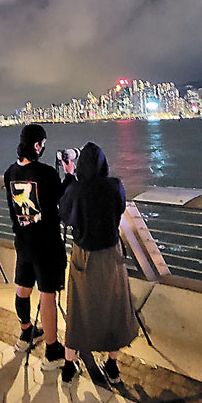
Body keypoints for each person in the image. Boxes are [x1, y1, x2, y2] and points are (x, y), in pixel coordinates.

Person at [57, 142, 138, 384]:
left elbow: (65, 215)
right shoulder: (115, 186)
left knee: (79, 309)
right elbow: (119, 209)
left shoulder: (76, 190)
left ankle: (69, 364)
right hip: (111, 254)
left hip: (83, 256)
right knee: (114, 308)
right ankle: (112, 365)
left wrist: (69, 177)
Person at [3, 124, 73, 369]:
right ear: (36, 145)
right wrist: (70, 174)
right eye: (42, 144)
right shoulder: (46, 173)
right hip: (46, 244)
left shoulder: (10, 172)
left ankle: (26, 333)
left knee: (23, 287)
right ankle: (52, 351)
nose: (43, 147)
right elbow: (62, 200)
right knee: (47, 293)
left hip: (23, 240)